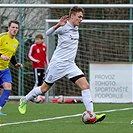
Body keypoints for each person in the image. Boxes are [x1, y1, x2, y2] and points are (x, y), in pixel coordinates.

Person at [18, 6, 106, 123]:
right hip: (57, 65)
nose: (81, 19)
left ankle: (91, 114)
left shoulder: (75, 28)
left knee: (85, 86)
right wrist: (58, 25)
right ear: (72, 16)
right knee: (43, 89)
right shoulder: (64, 27)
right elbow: (48, 33)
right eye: (79, 17)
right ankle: (24, 100)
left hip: (70, 65)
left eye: (82, 17)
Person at [0, 20, 23, 116]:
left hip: (4, 69)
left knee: (8, 88)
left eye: (16, 28)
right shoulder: (2, 37)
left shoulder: (16, 42)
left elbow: (12, 55)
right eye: (13, 27)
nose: (15, 29)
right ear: (8, 28)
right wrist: (1, 56)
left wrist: (16, 63)